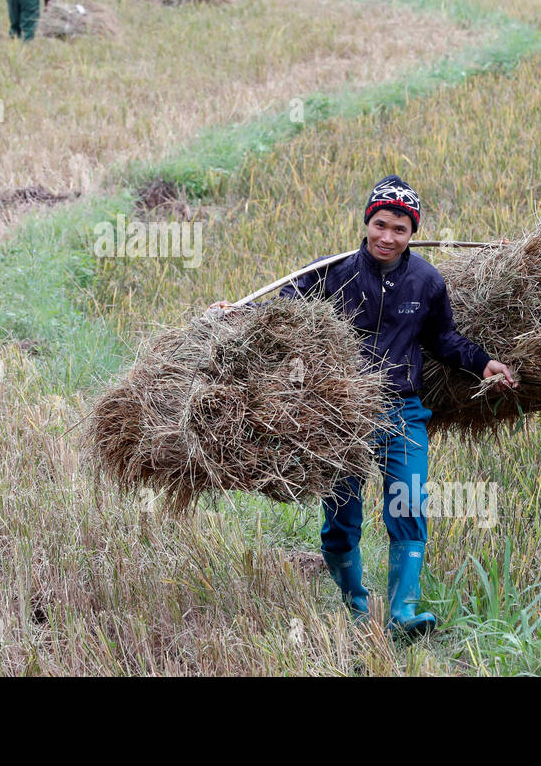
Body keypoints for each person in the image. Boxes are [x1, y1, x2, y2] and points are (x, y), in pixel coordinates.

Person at [210, 176, 517, 635]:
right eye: (380, 225)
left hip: (401, 410)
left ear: (413, 232)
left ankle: (403, 615)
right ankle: (355, 610)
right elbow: (281, 315)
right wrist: (237, 315)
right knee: (340, 520)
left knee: (408, 504)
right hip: (340, 415)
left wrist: (484, 362)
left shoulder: (426, 281)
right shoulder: (329, 273)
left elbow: (443, 339)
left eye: (400, 229)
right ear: (367, 221)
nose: (387, 238)